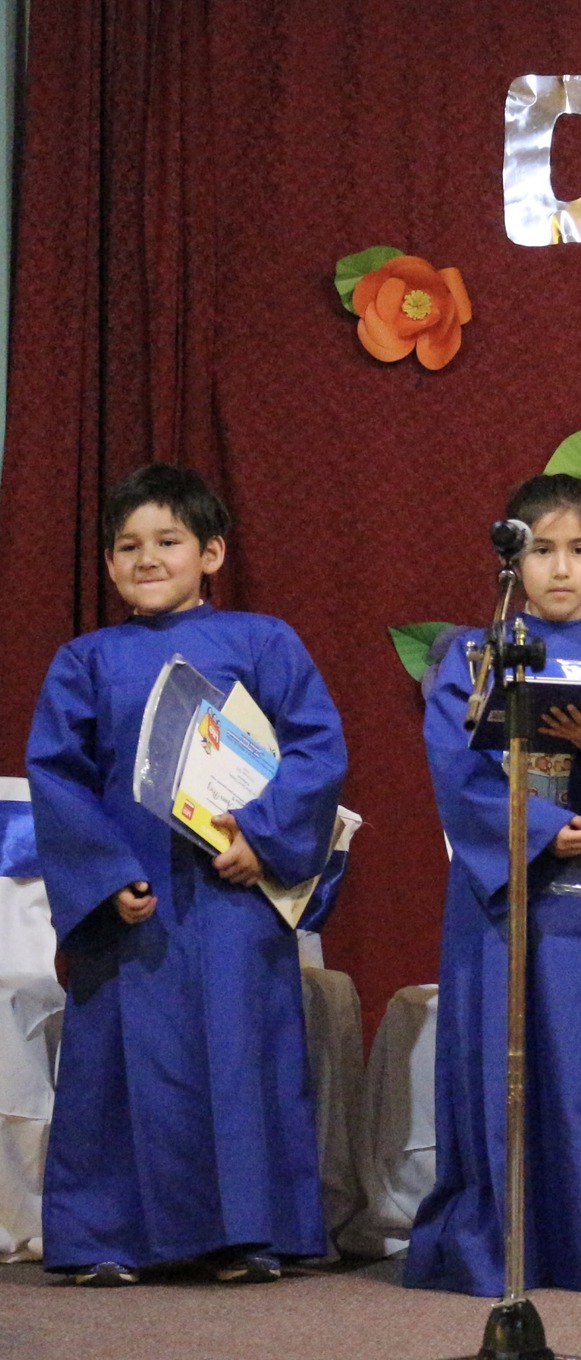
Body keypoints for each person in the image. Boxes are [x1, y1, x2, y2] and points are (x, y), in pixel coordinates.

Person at [27, 464, 347, 1286]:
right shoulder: (85, 660)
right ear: (106, 564)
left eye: (167, 541)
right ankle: (107, 1235)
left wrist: (266, 838)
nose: (146, 558)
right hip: (133, 901)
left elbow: (314, 747)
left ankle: (248, 1233)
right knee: (119, 1067)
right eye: (127, 545)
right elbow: (57, 775)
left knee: (241, 1058)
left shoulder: (262, 640)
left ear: (210, 552)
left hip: (231, 892)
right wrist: (105, 876)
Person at [405, 474, 581, 1296]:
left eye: (578, 550)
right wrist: (534, 827)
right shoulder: (475, 652)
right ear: (513, 559)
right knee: (500, 1064)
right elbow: (455, 765)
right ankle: (491, 1239)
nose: (559, 569)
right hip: (503, 902)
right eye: (540, 550)